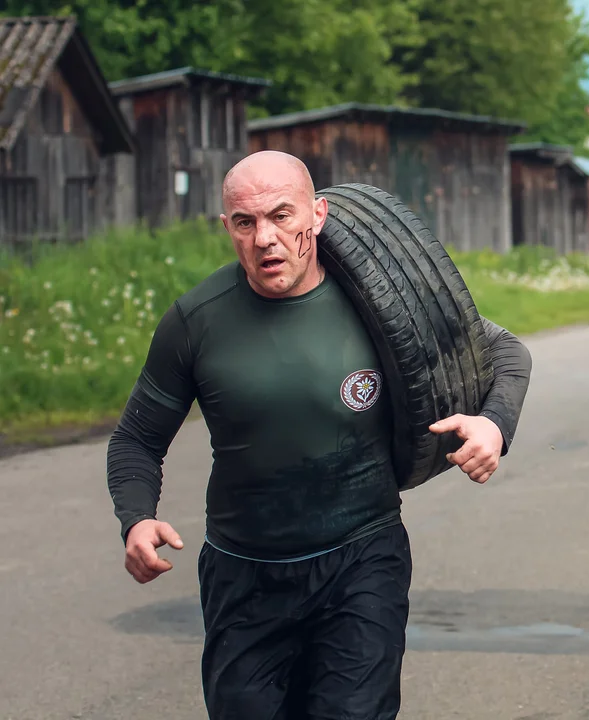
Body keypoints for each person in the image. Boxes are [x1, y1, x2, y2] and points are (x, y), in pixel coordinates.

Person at [105, 150, 532, 720]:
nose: (265, 238)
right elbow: (136, 439)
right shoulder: (197, 321)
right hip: (245, 575)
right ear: (227, 227)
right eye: (245, 222)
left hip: (363, 558)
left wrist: (493, 423)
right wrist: (137, 516)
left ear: (318, 215)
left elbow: (506, 352)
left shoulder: (379, 300)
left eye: (283, 215)